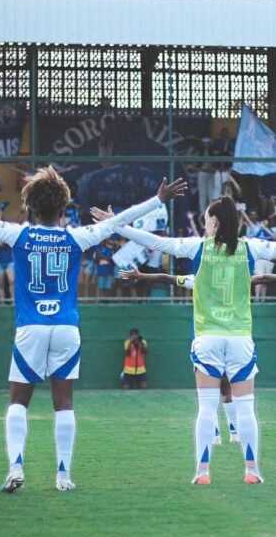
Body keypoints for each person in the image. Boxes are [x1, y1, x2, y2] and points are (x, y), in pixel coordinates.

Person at [0, 168, 186, 493]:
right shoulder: (75, 237)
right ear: (63, 207)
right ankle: (63, 476)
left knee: (17, 402)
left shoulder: (18, 235)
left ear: (30, 206)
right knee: (64, 403)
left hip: (31, 327)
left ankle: (16, 467)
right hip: (66, 327)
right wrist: (157, 199)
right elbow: (116, 222)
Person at [97, 195, 276, 485]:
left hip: (207, 339)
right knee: (246, 407)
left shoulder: (197, 247)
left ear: (214, 222)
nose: (204, 224)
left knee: (206, 407)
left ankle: (202, 472)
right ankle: (252, 470)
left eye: (206, 219)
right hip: (240, 338)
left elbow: (155, 242)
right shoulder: (252, 247)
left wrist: (117, 225)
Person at [122, 267, 276, 447]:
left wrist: (141, 276)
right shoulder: (233, 277)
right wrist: (141, 275)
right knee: (225, 391)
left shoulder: (197, 279)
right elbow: (263, 277)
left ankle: (228, 433)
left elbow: (166, 277)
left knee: (214, 394)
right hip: (226, 339)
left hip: (207, 342)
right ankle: (227, 434)